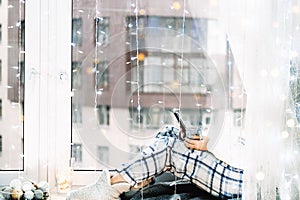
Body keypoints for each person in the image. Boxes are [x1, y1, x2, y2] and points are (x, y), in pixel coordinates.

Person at [66, 125, 243, 200]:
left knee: (169, 148)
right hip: (237, 168)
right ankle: (136, 181)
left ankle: (110, 186)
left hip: (243, 181)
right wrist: (209, 143)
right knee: (170, 132)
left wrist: (211, 147)